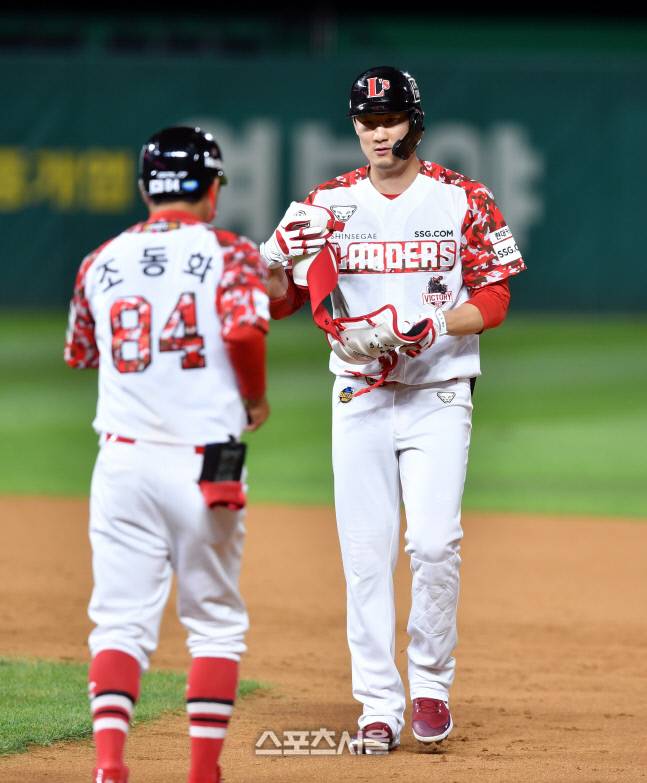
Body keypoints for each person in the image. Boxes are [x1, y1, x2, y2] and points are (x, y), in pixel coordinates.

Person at [260, 66, 526, 754]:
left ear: (415, 120)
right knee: (365, 552)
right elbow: (283, 303)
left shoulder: (464, 198)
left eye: (390, 120)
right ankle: (378, 704)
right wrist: (272, 268)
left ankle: (431, 682)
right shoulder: (325, 204)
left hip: (439, 390)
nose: (379, 133)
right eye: (367, 122)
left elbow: (495, 297)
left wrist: (433, 326)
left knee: (434, 542)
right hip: (360, 394)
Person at [64, 126, 270, 783]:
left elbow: (81, 354)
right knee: (214, 623)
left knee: (118, 623)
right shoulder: (231, 252)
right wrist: (255, 398)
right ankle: (203, 772)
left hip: (122, 461)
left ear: (144, 189)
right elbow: (245, 332)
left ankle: (109, 764)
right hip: (207, 461)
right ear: (211, 189)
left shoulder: (99, 260)